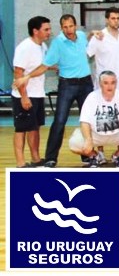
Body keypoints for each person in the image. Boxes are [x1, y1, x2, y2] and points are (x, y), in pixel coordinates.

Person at [15, 14, 97, 168]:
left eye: (71, 26)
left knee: (88, 120)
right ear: (61, 28)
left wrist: (92, 34)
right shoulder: (57, 43)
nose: (68, 29)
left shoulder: (81, 36)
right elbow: (44, 66)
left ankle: (88, 156)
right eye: (65, 27)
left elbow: (86, 42)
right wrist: (27, 76)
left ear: (75, 26)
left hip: (86, 84)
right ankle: (51, 158)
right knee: (59, 121)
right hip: (67, 85)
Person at [67, 71, 119, 168]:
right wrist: (88, 139)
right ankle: (94, 157)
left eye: (113, 83)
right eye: (106, 83)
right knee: (74, 144)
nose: (109, 86)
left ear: (116, 83)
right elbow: (84, 121)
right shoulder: (91, 97)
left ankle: (118, 155)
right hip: (96, 134)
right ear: (100, 84)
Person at [11, 16, 50, 168]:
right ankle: (20, 162)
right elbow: (18, 73)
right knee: (21, 128)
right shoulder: (24, 47)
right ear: (35, 31)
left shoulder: (42, 46)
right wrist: (24, 97)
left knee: (35, 127)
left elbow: (42, 66)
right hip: (24, 95)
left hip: (38, 93)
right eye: (46, 29)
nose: (49, 32)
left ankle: (35, 158)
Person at [86, 7, 119, 91]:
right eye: (113, 18)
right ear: (107, 20)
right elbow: (87, 54)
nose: (116, 21)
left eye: (118, 18)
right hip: (104, 82)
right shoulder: (98, 36)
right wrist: (90, 35)